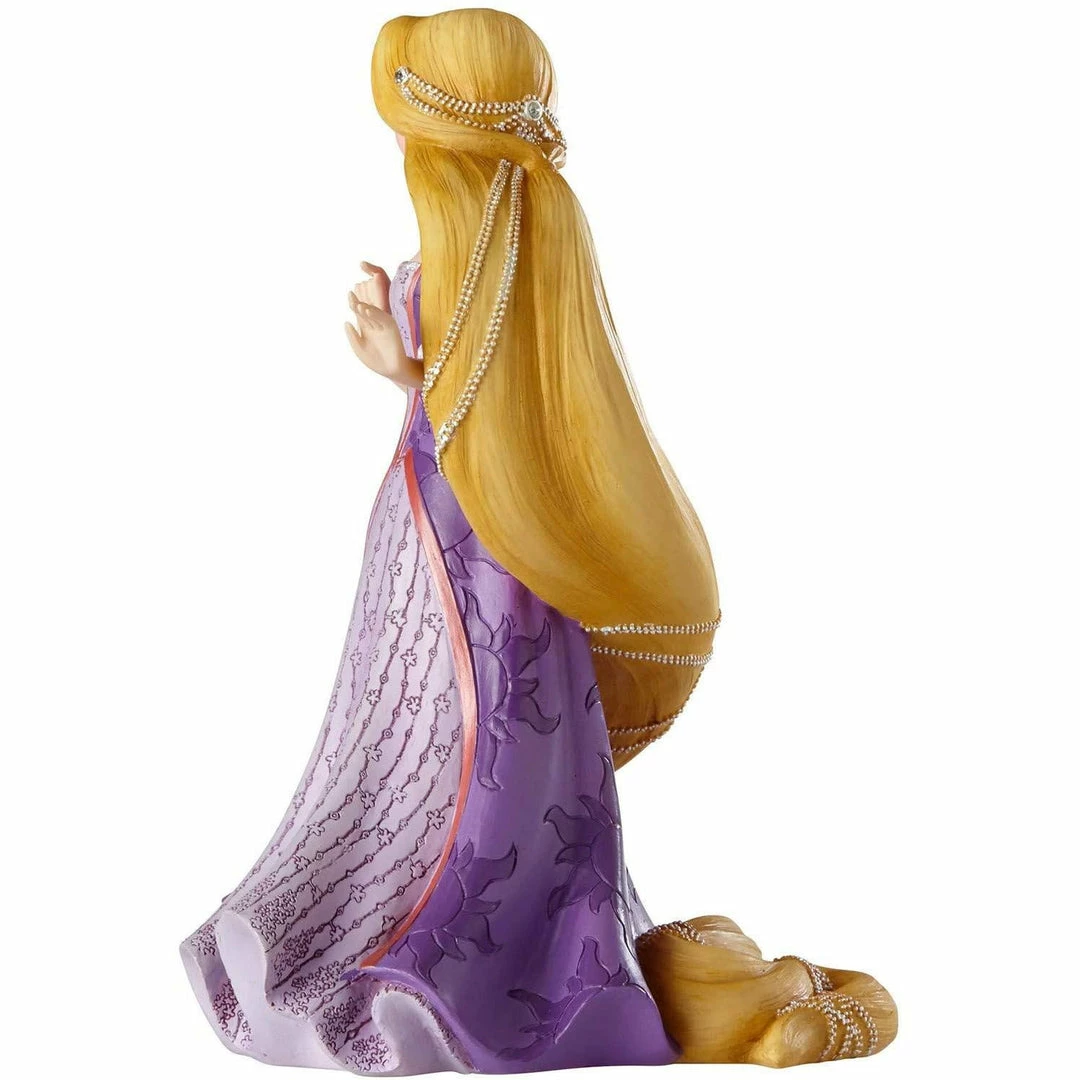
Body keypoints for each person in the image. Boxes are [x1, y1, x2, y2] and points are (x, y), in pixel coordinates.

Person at [180, 8, 896, 1072]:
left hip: (487, 542)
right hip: (431, 523)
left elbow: (499, 403)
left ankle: (457, 960)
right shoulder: (485, 243)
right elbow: (468, 392)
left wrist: (409, 373)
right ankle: (396, 917)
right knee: (406, 730)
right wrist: (406, 366)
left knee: (474, 739)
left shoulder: (512, 246)